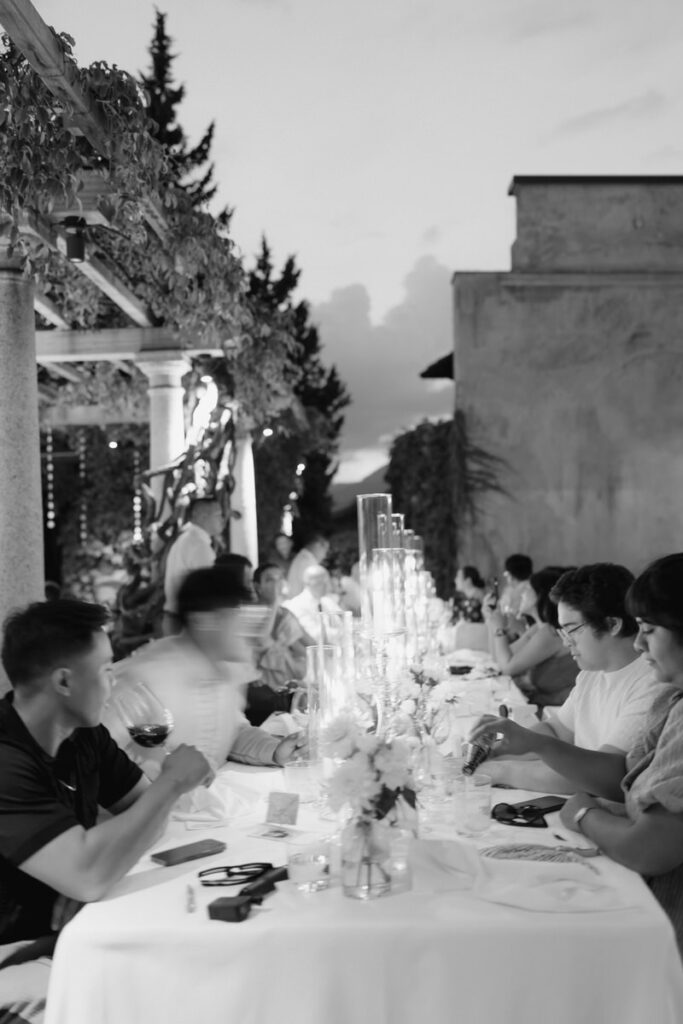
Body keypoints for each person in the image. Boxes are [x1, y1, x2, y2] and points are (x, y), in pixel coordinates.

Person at [0, 600, 211, 1018]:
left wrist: (86, 878)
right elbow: (91, 871)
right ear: (64, 681)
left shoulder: (83, 736)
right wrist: (172, 782)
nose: (114, 682)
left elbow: (143, 815)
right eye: (105, 668)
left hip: (66, 938)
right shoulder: (5, 760)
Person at [471, 554, 683, 955]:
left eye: (650, 631)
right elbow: (626, 782)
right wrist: (518, 746)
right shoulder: (660, 698)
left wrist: (585, 813)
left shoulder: (656, 691)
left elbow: (634, 818)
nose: (640, 644)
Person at [479, 563, 677, 792]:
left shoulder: (655, 680)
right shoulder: (591, 673)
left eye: (572, 629)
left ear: (612, 624)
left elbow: (606, 776)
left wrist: (502, 771)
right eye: (562, 631)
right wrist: (497, 751)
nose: (566, 642)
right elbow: (556, 731)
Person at [111, 566, 306, 771]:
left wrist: (275, 751)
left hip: (208, 800)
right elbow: (93, 754)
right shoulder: (146, 676)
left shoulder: (224, 672)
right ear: (205, 621)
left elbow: (232, 731)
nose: (251, 629)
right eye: (240, 616)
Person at [484, 565, 578, 711]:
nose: (522, 593)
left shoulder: (551, 633)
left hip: (552, 713)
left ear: (541, 595)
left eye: (528, 589)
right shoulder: (537, 629)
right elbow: (497, 659)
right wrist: (493, 621)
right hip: (539, 707)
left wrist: (499, 629)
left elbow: (508, 667)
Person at [244, 563, 309, 727]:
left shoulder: (285, 613)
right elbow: (262, 642)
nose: (276, 583)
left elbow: (308, 645)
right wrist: (273, 603)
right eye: (269, 580)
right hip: (262, 682)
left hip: (288, 675)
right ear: (257, 586)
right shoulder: (250, 611)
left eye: (279, 578)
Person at [162, 497, 224, 635]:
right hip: (186, 623)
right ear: (202, 516)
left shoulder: (188, 539)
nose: (222, 519)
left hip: (177, 618)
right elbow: (209, 589)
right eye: (219, 514)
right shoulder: (197, 545)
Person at [282, 564, 342, 644]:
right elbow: (314, 634)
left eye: (326, 581)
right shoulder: (297, 605)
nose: (325, 585)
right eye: (320, 582)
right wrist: (341, 632)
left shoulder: (327, 601)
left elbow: (344, 622)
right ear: (307, 583)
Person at [286, 531, 330, 599]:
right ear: (317, 545)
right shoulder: (307, 562)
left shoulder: (303, 559)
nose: (325, 555)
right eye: (325, 550)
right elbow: (316, 592)